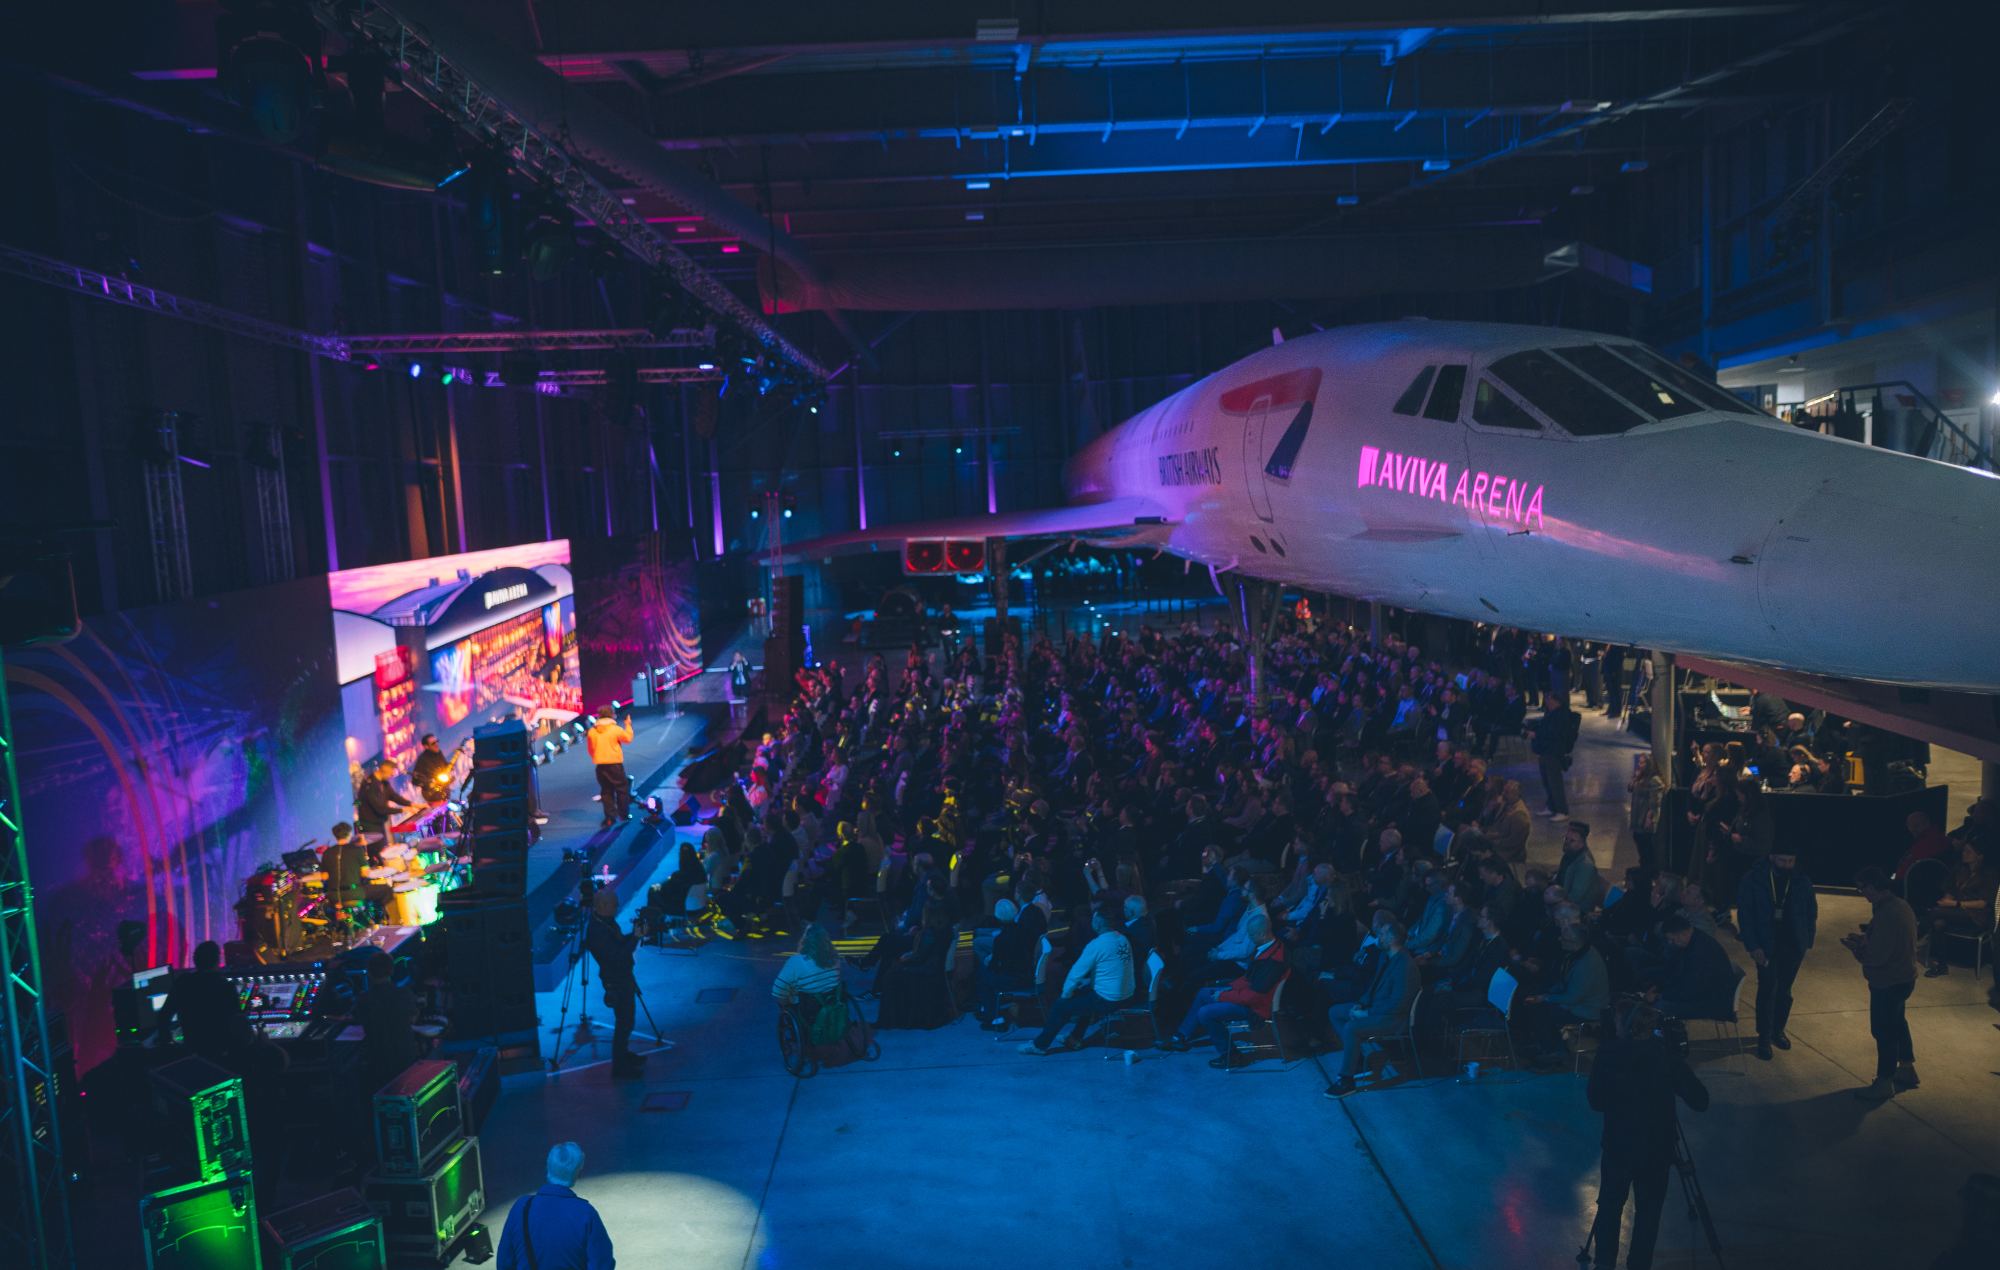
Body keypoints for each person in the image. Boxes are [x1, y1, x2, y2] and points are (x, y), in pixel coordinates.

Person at [1585, 996, 1711, 1270]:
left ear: (1626, 1026)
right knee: (1649, 1214)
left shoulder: (1608, 1053)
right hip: (1657, 1149)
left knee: (1609, 1208)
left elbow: (1595, 1102)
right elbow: (1700, 1101)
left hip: (1619, 1147)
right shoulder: (1665, 1054)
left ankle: (1604, 1265)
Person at [1159, 911, 1288, 1069]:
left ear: (1261, 934)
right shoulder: (1268, 949)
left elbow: (1252, 997)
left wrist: (1224, 995)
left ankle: (1231, 1056)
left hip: (1257, 1009)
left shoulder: (1273, 961)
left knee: (1205, 1013)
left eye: (1252, 935)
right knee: (1203, 993)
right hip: (1251, 998)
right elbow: (1248, 979)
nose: (1250, 939)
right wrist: (1229, 989)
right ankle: (1181, 1036)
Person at [1841, 867, 1919, 1102]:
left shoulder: (1887, 914)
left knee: (1883, 1031)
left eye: (1861, 888)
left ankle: (1884, 1082)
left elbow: (1878, 956)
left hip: (1888, 981)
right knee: (1897, 1022)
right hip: (1904, 978)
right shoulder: (1900, 905)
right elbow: (1888, 942)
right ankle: (1906, 1069)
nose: (1861, 893)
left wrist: (1857, 949)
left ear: (1872, 887)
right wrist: (1866, 939)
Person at [1324, 919, 1420, 1096]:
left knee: (1352, 1027)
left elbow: (1398, 1004)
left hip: (1393, 1018)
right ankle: (1357, 1060)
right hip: (1376, 1008)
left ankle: (1347, 1080)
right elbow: (1374, 987)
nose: (1378, 938)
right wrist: (1361, 1003)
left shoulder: (1406, 967)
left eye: (1382, 934)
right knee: (1335, 1012)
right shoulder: (1386, 957)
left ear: (1391, 939)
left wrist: (1366, 1013)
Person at [1018, 909, 1134, 1055]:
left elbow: (1076, 973)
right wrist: (1088, 982)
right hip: (1126, 995)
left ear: (1097, 924)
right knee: (1082, 995)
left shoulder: (1097, 944)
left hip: (1108, 999)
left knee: (1061, 1005)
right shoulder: (1123, 939)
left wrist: (1066, 994)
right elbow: (1113, 968)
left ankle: (1039, 1045)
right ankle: (1074, 1038)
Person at [1736, 849, 1816, 1059]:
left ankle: (1777, 1030)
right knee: (1767, 989)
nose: (1787, 865)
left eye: (1791, 860)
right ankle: (1764, 1036)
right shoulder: (1753, 879)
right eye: (1783, 860)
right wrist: (1753, 946)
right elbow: (1745, 914)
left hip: (1793, 944)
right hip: (1766, 944)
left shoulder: (1801, 880)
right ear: (1771, 857)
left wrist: (1807, 940)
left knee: (1785, 990)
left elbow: (1810, 910)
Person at [496, 1141, 614, 1270]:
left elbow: (504, 1262)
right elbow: (603, 1264)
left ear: (548, 1167)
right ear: (577, 1172)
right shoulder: (586, 1214)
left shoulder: (522, 1207)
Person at [153, 939, 253, 1063]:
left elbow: (163, 1016)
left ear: (195, 960)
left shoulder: (183, 983)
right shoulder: (226, 987)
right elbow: (238, 1024)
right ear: (218, 960)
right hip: (221, 1055)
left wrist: (167, 1044)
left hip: (192, 1052)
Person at [584, 888, 645, 1077]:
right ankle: (620, 1066)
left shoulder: (605, 922)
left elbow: (618, 944)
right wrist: (634, 938)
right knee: (624, 1021)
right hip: (616, 979)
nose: (617, 906)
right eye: (614, 904)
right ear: (603, 906)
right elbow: (618, 956)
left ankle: (623, 1055)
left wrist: (633, 935)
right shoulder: (597, 931)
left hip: (621, 975)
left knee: (627, 1020)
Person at [356, 949, 421, 1089]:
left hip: (377, 1060)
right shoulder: (404, 994)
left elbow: (358, 1022)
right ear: (391, 971)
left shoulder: (364, 1000)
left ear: (369, 973)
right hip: (405, 1056)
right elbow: (413, 1018)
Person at [1528, 698, 1579, 821]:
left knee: (1555, 782)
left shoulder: (1561, 716)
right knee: (1547, 781)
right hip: (1545, 751)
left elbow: (1554, 735)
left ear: (1557, 701)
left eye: (1549, 700)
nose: (1547, 702)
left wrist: (1536, 735)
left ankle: (1562, 810)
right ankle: (1551, 806)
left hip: (1553, 753)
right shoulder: (1552, 714)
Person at [585, 709, 636, 828]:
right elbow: (628, 739)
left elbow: (591, 749)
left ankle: (609, 818)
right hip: (615, 765)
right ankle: (624, 814)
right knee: (622, 790)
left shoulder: (592, 731)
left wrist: (597, 757)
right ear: (611, 715)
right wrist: (628, 725)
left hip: (600, 766)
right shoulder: (615, 729)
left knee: (606, 791)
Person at [354, 760, 413, 856]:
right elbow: (380, 808)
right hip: (370, 825)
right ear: (385, 769)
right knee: (379, 853)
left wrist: (411, 804)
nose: (392, 775)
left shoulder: (384, 783)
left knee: (384, 850)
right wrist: (402, 810)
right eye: (391, 772)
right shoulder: (370, 785)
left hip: (379, 823)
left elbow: (393, 796)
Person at [772, 923, 843, 1003]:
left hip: (807, 1009)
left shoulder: (796, 961)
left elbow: (778, 990)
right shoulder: (835, 958)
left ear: (805, 940)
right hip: (830, 1005)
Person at [1555, 821, 1606, 913]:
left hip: (1577, 909)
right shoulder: (1569, 854)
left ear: (1582, 843)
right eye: (1566, 838)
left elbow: (1575, 896)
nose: (1566, 842)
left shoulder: (1585, 865)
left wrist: (1555, 900)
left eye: (1572, 841)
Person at [1628, 754, 1665, 872]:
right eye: (1639, 762)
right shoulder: (1641, 777)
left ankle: (1649, 870)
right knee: (1639, 840)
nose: (1640, 765)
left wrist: (1650, 817)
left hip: (1645, 816)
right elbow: (1630, 788)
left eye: (1643, 762)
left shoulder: (1654, 780)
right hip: (1637, 814)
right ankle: (1644, 867)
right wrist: (1635, 778)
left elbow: (1655, 801)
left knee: (1646, 845)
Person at [411, 733, 453, 805]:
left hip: (444, 789)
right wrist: (429, 784)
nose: (437, 744)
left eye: (437, 741)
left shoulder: (439, 752)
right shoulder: (422, 760)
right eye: (433, 743)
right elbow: (415, 780)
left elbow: (444, 765)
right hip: (433, 794)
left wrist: (450, 767)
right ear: (426, 746)